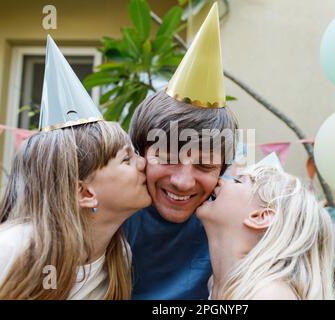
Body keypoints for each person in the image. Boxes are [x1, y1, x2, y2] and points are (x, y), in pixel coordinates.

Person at [0, 36, 151, 299]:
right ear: (84, 193)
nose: (144, 163)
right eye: (126, 159)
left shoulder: (116, 259)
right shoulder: (8, 251)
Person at [122, 3, 238, 299]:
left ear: (222, 172)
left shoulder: (237, 217)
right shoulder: (111, 210)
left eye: (205, 166)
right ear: (140, 154)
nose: (183, 182)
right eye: (168, 158)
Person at [196, 158, 335, 299]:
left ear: (261, 217)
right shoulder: (215, 284)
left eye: (238, 181)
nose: (220, 181)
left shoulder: (269, 294)